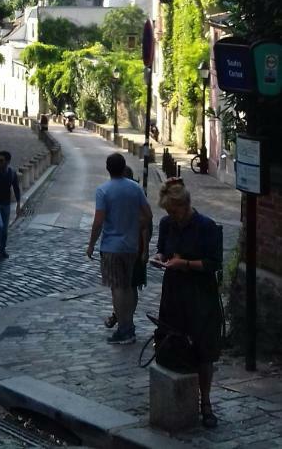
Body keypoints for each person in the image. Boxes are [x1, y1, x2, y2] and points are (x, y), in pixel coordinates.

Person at [151, 178, 222, 429]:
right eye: (168, 212)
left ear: (185, 204)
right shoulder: (167, 224)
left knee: (203, 348)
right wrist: (160, 258)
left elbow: (213, 264)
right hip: (173, 293)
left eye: (174, 210)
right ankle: (179, 397)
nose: (171, 215)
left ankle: (206, 403)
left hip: (200, 295)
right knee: (173, 342)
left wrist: (186, 265)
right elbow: (163, 250)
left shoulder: (206, 227)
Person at [87, 152, 152, 345]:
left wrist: (91, 244)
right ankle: (129, 325)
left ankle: (124, 330)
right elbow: (147, 214)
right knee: (129, 287)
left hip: (111, 247)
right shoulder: (135, 188)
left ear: (108, 169)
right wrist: (134, 226)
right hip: (131, 247)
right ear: (124, 168)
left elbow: (98, 221)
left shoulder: (103, 190)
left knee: (118, 288)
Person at [105, 164, 152, 329]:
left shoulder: (131, 195)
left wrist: (145, 249)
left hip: (130, 248)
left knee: (124, 286)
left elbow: (145, 225)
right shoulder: (136, 192)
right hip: (133, 248)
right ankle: (122, 318)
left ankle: (126, 322)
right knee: (128, 286)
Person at [0, 150, 21, 260]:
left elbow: (16, 188)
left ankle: (2, 249)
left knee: (5, 230)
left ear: (8, 162)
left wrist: (18, 204)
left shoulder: (12, 173)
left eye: (1, 160)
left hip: (6, 204)